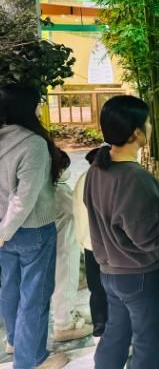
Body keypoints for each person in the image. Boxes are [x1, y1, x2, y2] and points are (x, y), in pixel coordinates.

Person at [84, 95, 159, 369]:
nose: (151, 127)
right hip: (143, 274)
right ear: (136, 133)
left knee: (116, 335)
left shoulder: (97, 169)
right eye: (148, 122)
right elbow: (150, 238)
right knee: (149, 341)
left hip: (111, 272)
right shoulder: (135, 179)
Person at [0, 84, 69, 368]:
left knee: (10, 288)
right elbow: (24, 199)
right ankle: (32, 360)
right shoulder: (33, 144)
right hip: (32, 230)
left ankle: (16, 342)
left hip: (4, 232)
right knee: (35, 296)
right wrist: (4, 232)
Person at [52, 150, 94, 343]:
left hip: (59, 245)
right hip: (65, 247)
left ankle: (67, 317)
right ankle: (64, 325)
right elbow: (80, 210)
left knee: (62, 283)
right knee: (66, 284)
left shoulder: (50, 188)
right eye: (63, 168)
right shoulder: (59, 192)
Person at [73, 147, 107, 337]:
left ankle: (99, 325)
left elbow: (76, 213)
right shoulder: (108, 179)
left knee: (96, 289)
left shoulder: (82, 179)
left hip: (89, 244)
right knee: (114, 288)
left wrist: (81, 241)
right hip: (109, 245)